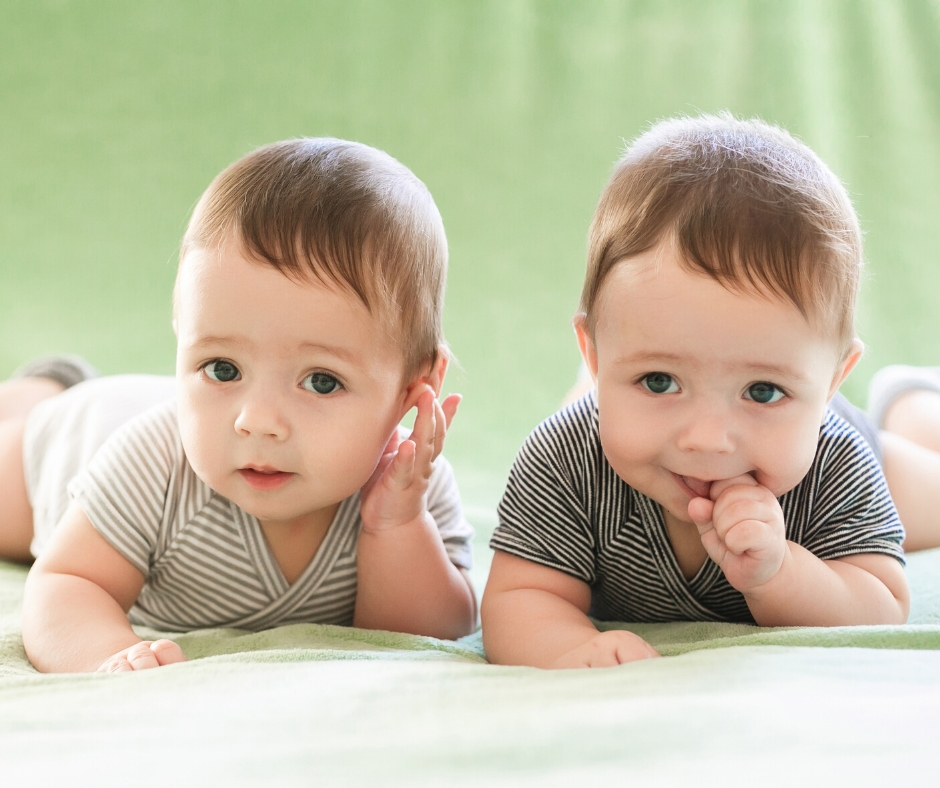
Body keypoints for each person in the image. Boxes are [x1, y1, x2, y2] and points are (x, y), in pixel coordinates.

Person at [3, 138, 477, 673]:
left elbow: (433, 634)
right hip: (73, 439)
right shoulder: (152, 466)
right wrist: (109, 656)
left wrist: (395, 526)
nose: (258, 421)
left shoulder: (408, 484)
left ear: (413, 391)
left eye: (321, 382)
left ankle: (53, 382)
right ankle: (42, 390)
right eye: (222, 368)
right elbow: (67, 581)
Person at [481, 114, 915, 669]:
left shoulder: (836, 462)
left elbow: (883, 607)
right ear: (594, 355)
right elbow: (521, 597)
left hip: (850, 442)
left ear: (832, 379)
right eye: (659, 381)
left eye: (762, 390)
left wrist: (779, 571)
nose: (708, 441)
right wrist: (570, 646)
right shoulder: (566, 459)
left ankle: (912, 404)